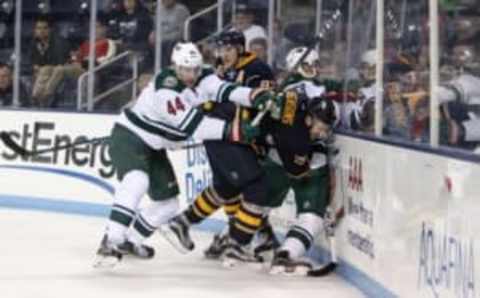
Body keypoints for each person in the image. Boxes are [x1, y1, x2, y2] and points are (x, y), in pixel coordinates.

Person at [94, 42, 274, 267]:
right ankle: (111, 241)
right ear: (175, 67)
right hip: (131, 137)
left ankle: (130, 241)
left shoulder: (203, 75)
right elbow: (195, 127)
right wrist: (233, 131)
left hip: (155, 145)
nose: (191, 75)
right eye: (185, 70)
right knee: (137, 180)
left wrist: (255, 95)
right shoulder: (166, 88)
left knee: (168, 205)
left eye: (195, 69)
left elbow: (226, 90)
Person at [162, 31, 275, 263]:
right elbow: (217, 101)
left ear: (240, 48)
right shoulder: (220, 70)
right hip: (225, 138)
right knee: (257, 187)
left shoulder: (257, 69)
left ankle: (182, 223)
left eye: (228, 49)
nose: (222, 55)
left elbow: (252, 103)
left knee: (227, 187)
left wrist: (257, 99)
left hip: (232, 137)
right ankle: (237, 243)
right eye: (220, 50)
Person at [29, 16, 71, 107]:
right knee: (41, 71)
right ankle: (37, 99)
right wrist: (35, 66)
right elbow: (31, 61)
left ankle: (40, 97)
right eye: (38, 28)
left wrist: (40, 67)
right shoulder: (34, 43)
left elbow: (60, 62)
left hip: (58, 71)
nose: (41, 31)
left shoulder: (59, 42)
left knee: (46, 69)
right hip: (42, 73)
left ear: (50, 29)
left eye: (45, 28)